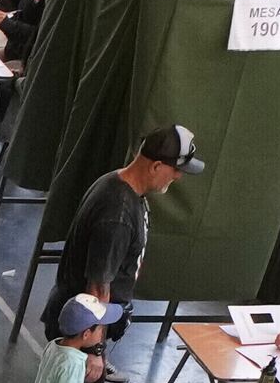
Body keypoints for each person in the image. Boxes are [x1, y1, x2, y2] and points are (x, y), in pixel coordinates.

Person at [61, 122, 190, 335]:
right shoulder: (117, 215)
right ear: (156, 166)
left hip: (81, 329)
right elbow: (96, 290)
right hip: (83, 332)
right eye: (176, 169)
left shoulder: (116, 182)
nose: (178, 176)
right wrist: (95, 346)